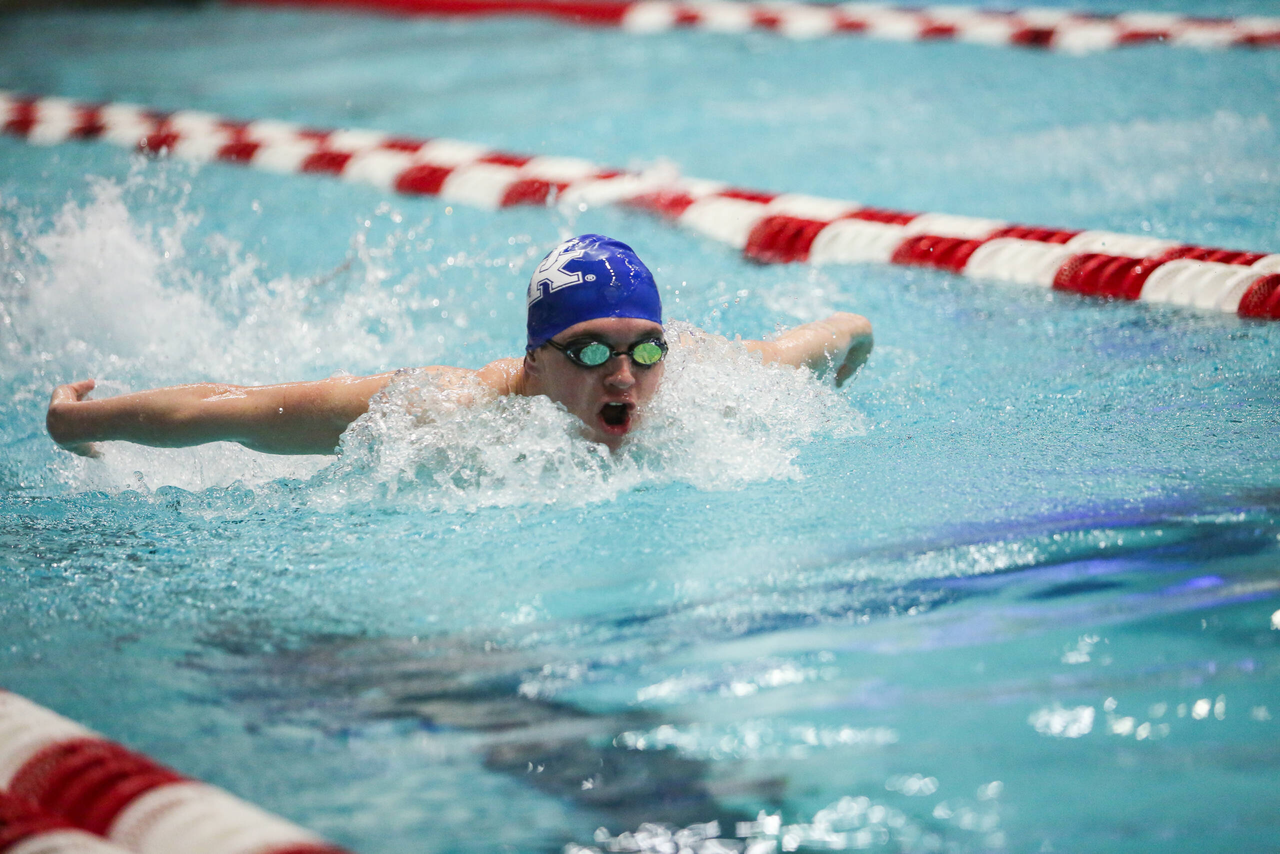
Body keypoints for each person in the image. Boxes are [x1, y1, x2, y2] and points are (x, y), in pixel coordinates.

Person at [46, 234, 873, 458]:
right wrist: (77, 425)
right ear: (535, 359)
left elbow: (844, 333)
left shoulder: (703, 380)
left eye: (643, 350)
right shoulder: (443, 412)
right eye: (590, 351)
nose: (623, 376)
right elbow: (239, 410)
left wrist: (833, 379)